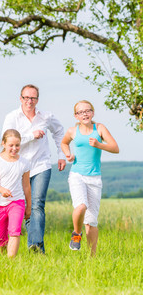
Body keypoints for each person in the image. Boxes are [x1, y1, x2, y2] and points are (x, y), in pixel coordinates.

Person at [2, 84, 66, 253]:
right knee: (25, 207)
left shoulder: (46, 116)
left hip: (41, 165)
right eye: (26, 97)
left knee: (37, 204)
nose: (29, 101)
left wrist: (61, 154)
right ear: (20, 98)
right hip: (19, 167)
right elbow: (7, 141)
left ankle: (35, 244)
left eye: (33, 98)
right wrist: (32, 135)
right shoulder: (12, 117)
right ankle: (39, 250)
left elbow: (59, 132)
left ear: (38, 99)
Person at [61, 100, 119, 255]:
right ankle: (76, 234)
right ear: (76, 116)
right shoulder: (73, 131)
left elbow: (115, 148)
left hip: (94, 178)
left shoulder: (99, 128)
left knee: (91, 221)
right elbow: (64, 143)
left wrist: (100, 145)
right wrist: (67, 154)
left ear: (92, 112)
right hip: (77, 175)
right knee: (81, 206)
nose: (84, 114)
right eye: (80, 112)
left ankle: (92, 257)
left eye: (87, 111)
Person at [0, 129, 31, 258]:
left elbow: (26, 185)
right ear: (3, 144)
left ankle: (10, 261)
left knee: (14, 232)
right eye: (11, 145)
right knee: (1, 239)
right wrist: (3, 191)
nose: (14, 148)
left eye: (17, 145)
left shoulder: (24, 163)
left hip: (17, 201)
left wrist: (28, 206)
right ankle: (4, 256)